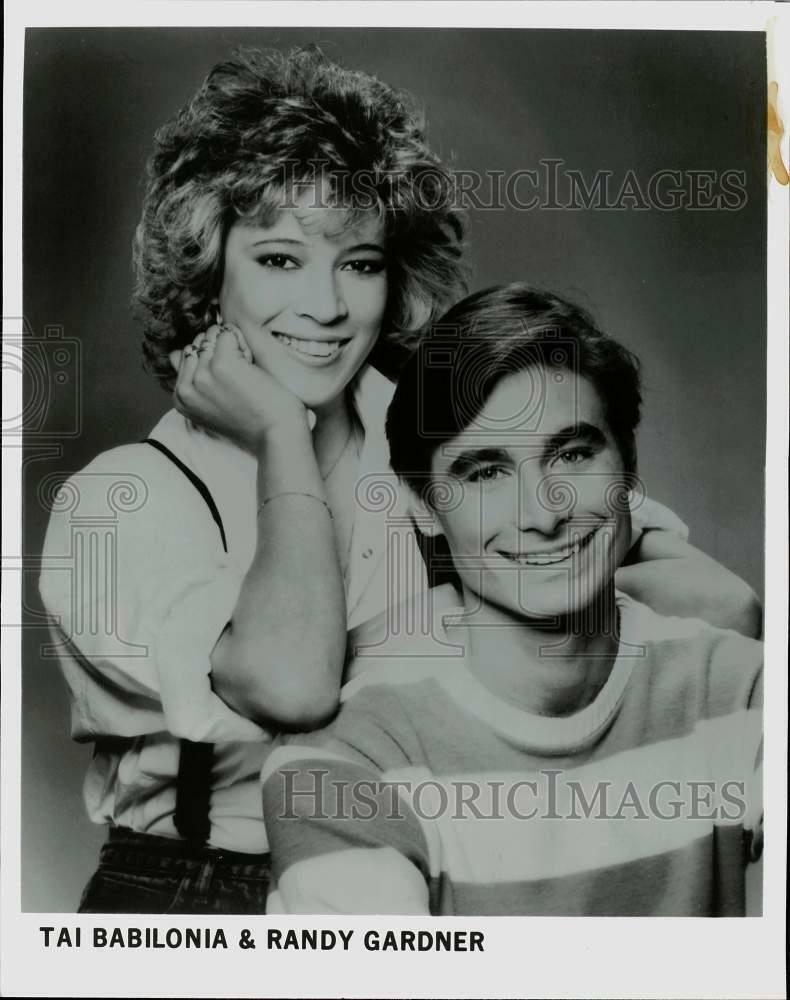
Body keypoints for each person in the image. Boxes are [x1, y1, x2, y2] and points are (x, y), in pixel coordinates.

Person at [39, 47, 757, 914]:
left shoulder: (439, 433)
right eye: (278, 260)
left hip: (440, 862)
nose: (327, 306)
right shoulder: (123, 504)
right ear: (206, 270)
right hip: (203, 894)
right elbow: (295, 686)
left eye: (360, 263)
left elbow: (719, 610)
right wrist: (280, 438)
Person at [262, 285, 763, 916]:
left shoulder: (744, 691)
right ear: (421, 505)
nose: (541, 513)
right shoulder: (346, 757)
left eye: (573, 455)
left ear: (629, 467)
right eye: (486, 472)